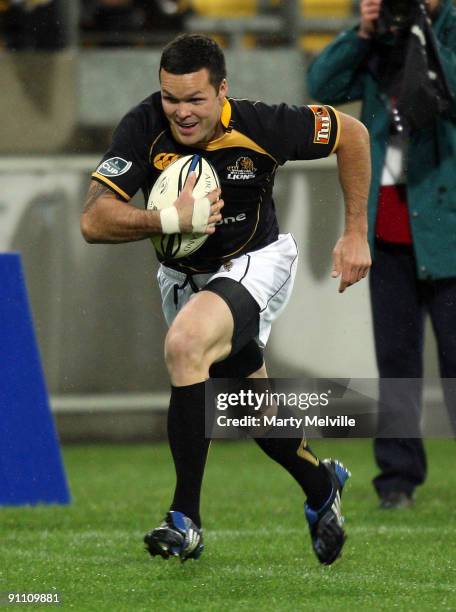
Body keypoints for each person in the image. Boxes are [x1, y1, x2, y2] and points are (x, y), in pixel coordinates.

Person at [81, 34, 371, 563]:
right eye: (171, 98)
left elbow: (352, 134)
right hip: (184, 279)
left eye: (196, 99)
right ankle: (321, 485)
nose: (182, 113)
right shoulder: (143, 128)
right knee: (248, 408)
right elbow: (93, 221)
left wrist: (355, 232)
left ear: (222, 91)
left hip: (256, 264)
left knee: (185, 344)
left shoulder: (262, 124)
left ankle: (184, 519)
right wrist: (171, 219)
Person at [307, 0, 456, 509]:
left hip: (447, 228)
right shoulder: (380, 40)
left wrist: (426, 27)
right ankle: (396, 480)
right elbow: (321, 86)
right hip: (390, 231)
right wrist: (363, 32)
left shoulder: (451, 26)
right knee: (395, 362)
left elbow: (450, 89)